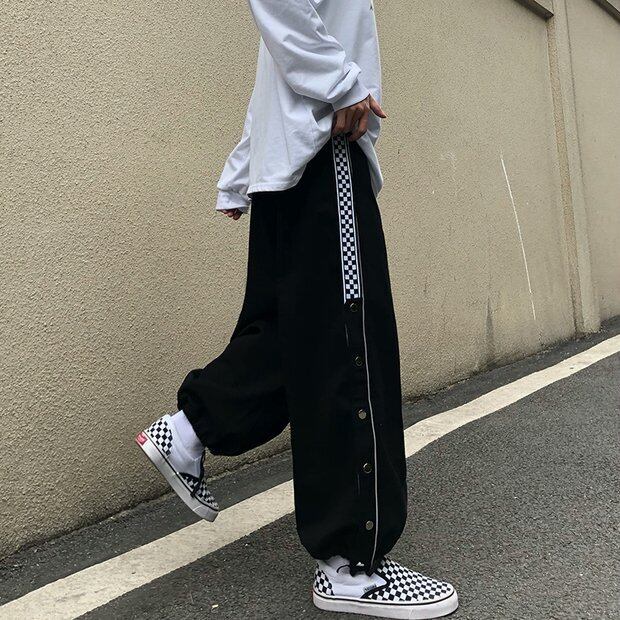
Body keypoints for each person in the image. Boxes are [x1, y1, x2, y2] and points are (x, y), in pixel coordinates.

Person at [135, 1, 458, 617]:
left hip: (293, 159)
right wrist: (344, 85)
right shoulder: (333, 89)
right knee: (349, 346)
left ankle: (189, 431)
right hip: (325, 149)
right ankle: (349, 564)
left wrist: (243, 169)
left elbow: (278, 53)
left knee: (299, 336)